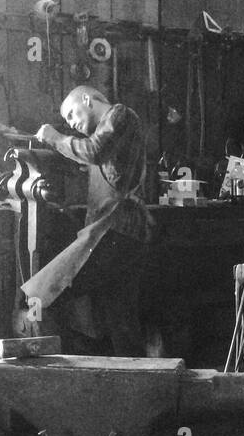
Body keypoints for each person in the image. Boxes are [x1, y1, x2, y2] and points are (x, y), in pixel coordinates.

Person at [23, 85, 154, 356]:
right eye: (68, 121)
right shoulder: (102, 137)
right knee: (122, 323)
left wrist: (56, 137)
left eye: (72, 114)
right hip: (121, 233)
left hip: (116, 231)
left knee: (40, 297)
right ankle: (136, 390)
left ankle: (60, 381)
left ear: (87, 99)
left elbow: (94, 151)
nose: (72, 123)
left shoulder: (120, 116)